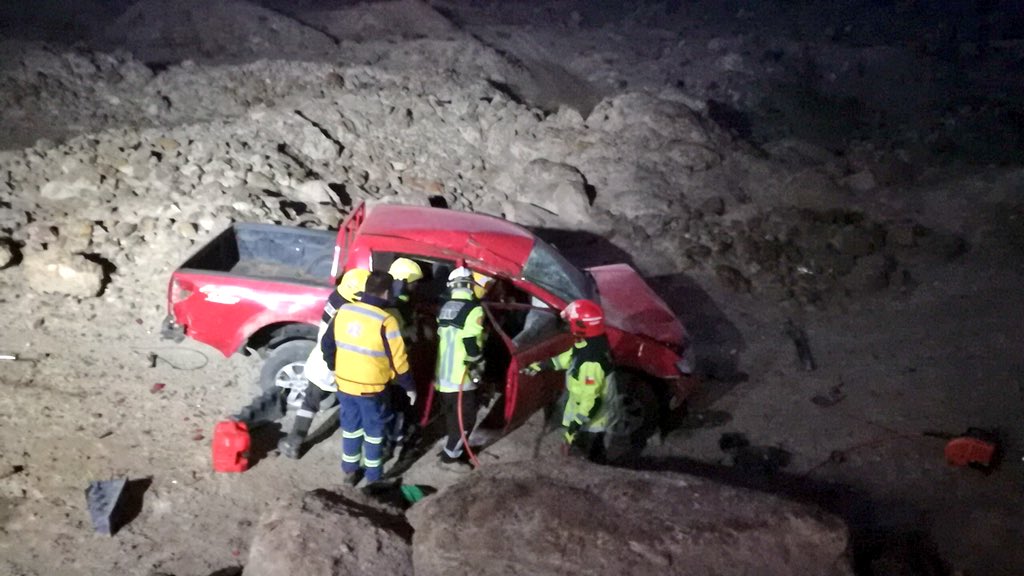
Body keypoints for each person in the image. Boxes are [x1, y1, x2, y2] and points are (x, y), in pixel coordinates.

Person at [322, 270, 415, 484]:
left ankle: (349, 471)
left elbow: (327, 345)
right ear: (385, 293)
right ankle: (373, 477)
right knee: (374, 431)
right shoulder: (386, 321)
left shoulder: (344, 310)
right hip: (371, 389)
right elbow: (398, 359)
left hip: (344, 385)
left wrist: (337, 367)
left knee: (351, 427)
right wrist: (409, 386)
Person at [278, 267, 370, 459]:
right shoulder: (349, 313)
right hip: (344, 366)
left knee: (310, 402)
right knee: (352, 409)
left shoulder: (336, 298)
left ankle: (294, 442)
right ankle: (356, 452)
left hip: (321, 363)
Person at [523, 299, 613, 461]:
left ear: (581, 326)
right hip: (585, 419)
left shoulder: (591, 362)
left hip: (589, 425)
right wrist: (543, 365)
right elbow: (570, 358)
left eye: (571, 322)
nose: (569, 326)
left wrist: (573, 430)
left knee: (584, 462)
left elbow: (591, 401)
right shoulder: (591, 344)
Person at [434, 266, 490, 465]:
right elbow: (469, 341)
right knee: (465, 420)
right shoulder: (473, 310)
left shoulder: (445, 308)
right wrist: (478, 363)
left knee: (451, 415)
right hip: (461, 377)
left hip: (443, 375)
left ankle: (451, 447)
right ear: (469, 285)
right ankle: (451, 456)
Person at [382, 257, 424, 457]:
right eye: (413, 282)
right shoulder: (393, 306)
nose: (416, 286)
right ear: (404, 282)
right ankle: (391, 443)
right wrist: (412, 332)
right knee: (398, 405)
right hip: (395, 366)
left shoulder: (399, 301)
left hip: (396, 362)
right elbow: (397, 336)